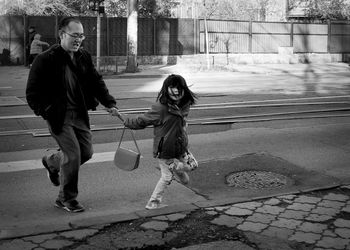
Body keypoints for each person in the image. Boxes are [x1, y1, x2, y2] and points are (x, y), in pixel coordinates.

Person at [26, 17, 120, 213]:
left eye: (81, 36)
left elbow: (96, 81)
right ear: (62, 35)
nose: (79, 40)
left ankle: (52, 161)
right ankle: (66, 199)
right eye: (74, 35)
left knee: (86, 153)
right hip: (59, 117)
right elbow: (32, 93)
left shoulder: (83, 56)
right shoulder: (45, 59)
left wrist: (109, 102)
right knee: (73, 155)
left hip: (79, 114)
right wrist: (46, 111)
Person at [120, 74, 198, 210]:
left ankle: (177, 168)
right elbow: (141, 121)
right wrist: (123, 118)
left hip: (180, 146)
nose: (176, 91)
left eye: (179, 87)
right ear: (166, 89)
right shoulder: (160, 108)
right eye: (172, 87)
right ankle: (153, 203)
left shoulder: (185, 105)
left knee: (191, 170)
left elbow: (181, 121)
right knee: (167, 177)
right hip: (165, 150)